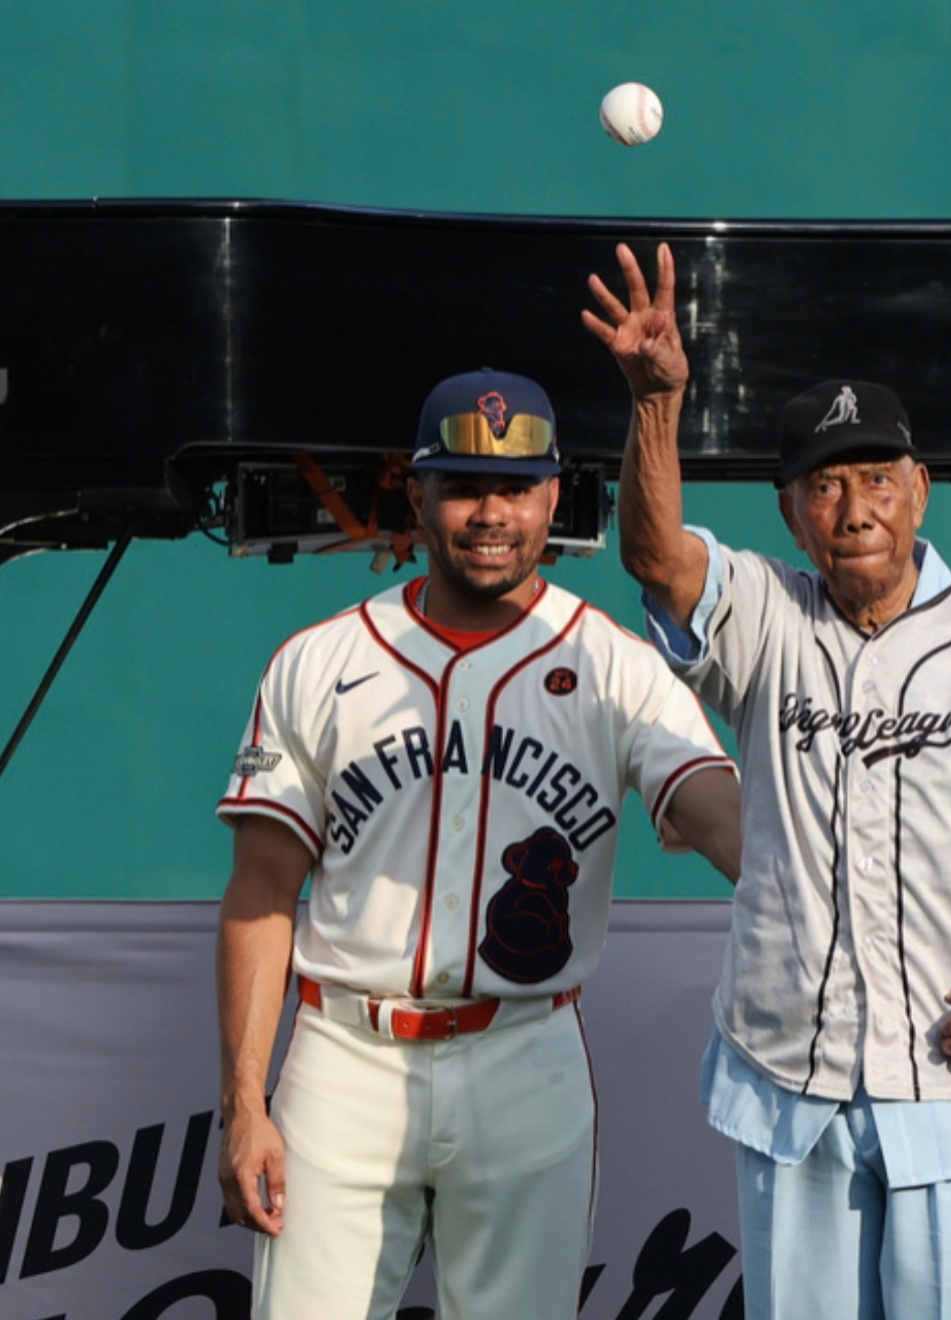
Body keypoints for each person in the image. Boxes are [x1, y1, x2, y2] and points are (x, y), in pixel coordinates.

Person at [585, 242, 951, 1319]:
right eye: (824, 484)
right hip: (794, 1087)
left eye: (877, 477)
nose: (854, 506)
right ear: (788, 513)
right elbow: (657, 557)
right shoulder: (767, 617)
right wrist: (654, 405)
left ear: (920, 492)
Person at [214, 369, 744, 1320]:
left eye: (514, 487)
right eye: (462, 485)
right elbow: (260, 894)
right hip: (345, 1054)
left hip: (524, 1054)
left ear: (554, 495)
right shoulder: (321, 660)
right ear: (416, 493)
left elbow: (717, 811)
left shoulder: (613, 665)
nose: (489, 512)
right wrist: (245, 1104)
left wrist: (816, 869)